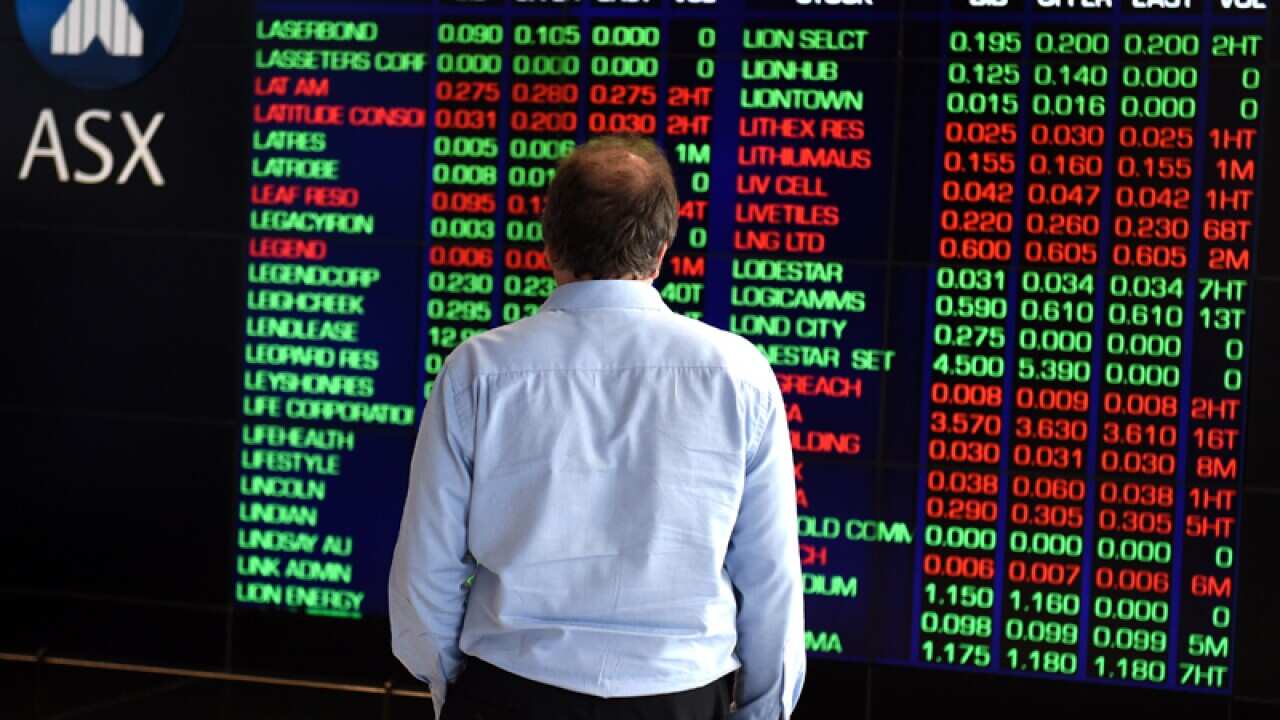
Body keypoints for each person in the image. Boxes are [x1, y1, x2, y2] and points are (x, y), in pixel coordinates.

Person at [389, 135, 805, 720]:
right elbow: (770, 576)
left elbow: (425, 570)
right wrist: (762, 711)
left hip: (508, 691)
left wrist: (452, 685)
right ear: (662, 249)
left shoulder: (477, 372)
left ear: (549, 242)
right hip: (679, 699)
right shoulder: (738, 375)